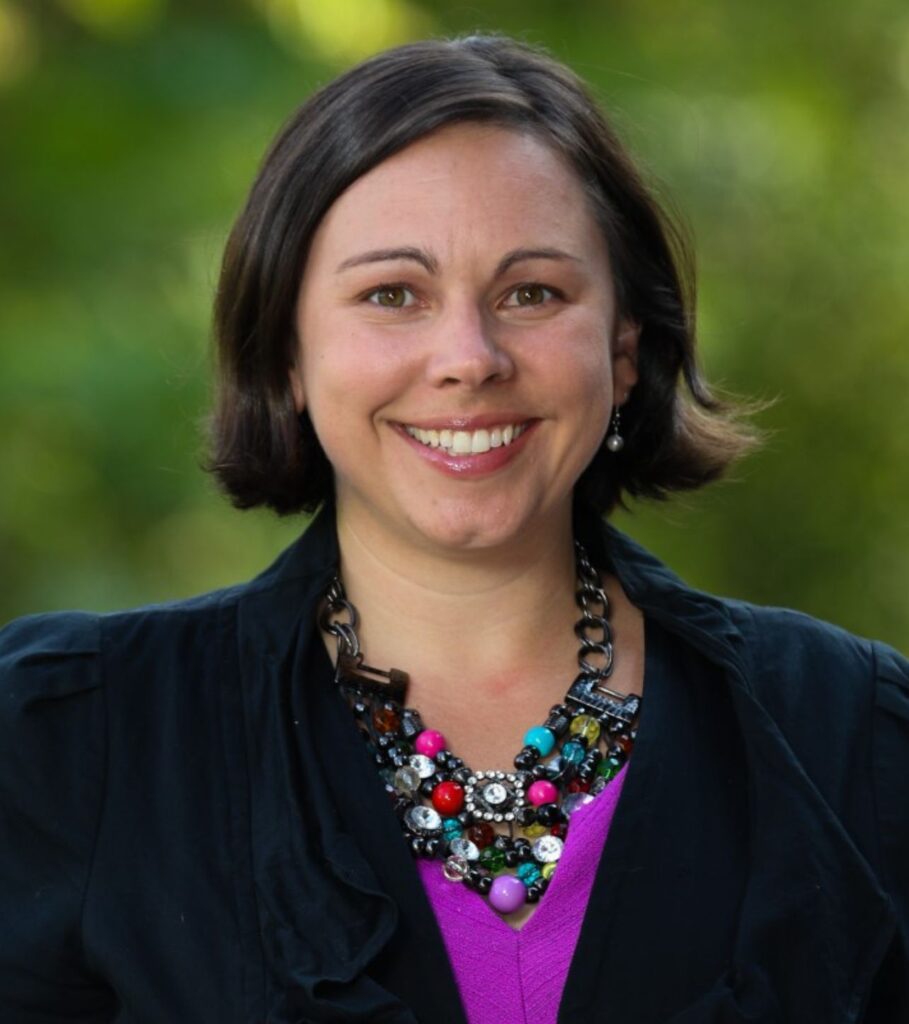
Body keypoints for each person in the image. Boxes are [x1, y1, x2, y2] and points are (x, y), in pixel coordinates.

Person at [1, 33, 906, 1024]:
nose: (468, 357)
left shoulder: (850, 738)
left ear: (626, 347)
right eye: (394, 294)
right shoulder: (71, 746)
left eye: (533, 293)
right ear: (290, 356)